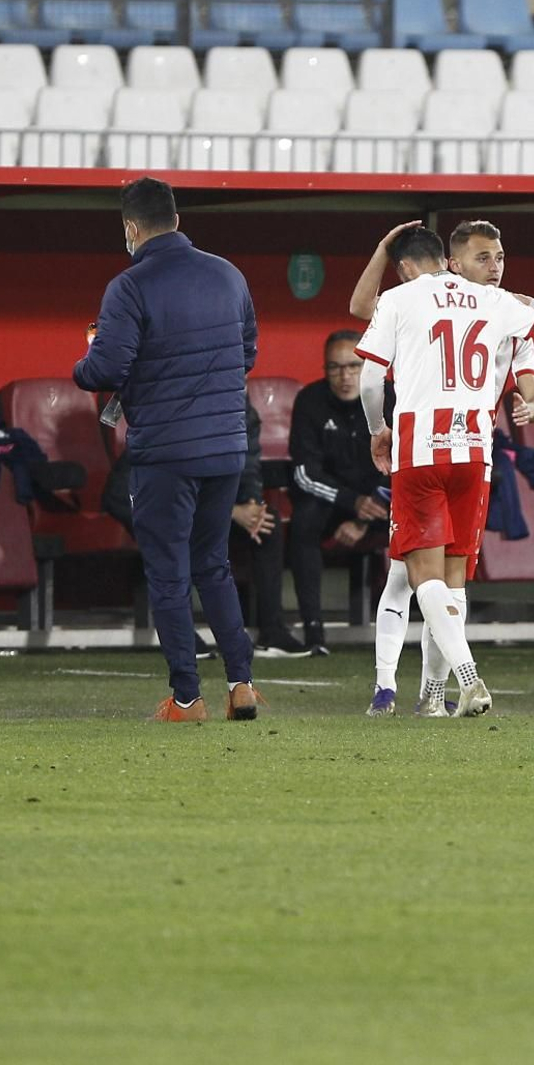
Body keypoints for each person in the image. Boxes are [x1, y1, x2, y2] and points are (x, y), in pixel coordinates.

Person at [73, 177, 263, 723]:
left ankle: (186, 698)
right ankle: (242, 685)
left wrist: (85, 358)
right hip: (225, 446)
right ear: (176, 219)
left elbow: (105, 369)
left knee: (168, 573)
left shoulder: (128, 287)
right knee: (214, 565)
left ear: (131, 228)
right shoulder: (228, 274)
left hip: (165, 452)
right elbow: (247, 352)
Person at [350, 219, 534, 716]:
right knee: (451, 580)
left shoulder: (402, 298)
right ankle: (432, 698)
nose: (495, 266)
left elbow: (371, 378)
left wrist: (377, 429)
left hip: (421, 448)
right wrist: (523, 302)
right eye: (485, 257)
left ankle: (467, 677)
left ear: (404, 268)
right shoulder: (497, 304)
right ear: (451, 261)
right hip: (476, 450)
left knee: (419, 576)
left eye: (498, 257)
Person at [103, 401, 304, 657]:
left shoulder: (242, 411)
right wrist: (231, 511)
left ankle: (273, 631)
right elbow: (129, 493)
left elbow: (248, 465)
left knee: (267, 523)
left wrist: (252, 505)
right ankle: (182, 636)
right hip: (159, 505)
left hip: (208, 509)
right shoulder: (173, 411)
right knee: (175, 530)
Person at [285, 329, 391, 655]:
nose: (345, 376)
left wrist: (364, 519)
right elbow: (304, 473)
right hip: (331, 500)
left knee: (423, 509)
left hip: (382, 501)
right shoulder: (310, 401)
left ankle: (418, 625)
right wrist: (351, 503)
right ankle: (314, 633)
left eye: (353, 366)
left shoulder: (390, 397)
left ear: (368, 367)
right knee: (304, 519)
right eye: (335, 367)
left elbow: (406, 462)